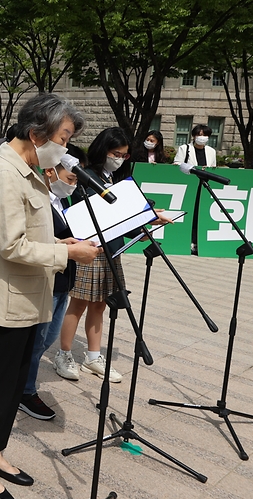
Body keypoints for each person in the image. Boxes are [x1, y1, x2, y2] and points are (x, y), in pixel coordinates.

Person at [0, 93, 100, 499]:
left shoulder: (30, 168)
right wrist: (68, 254)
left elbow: (32, 232)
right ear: (36, 133)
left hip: (28, 301)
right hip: (6, 303)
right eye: (63, 137)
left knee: (14, 388)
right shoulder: (3, 173)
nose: (66, 147)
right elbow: (11, 246)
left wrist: (60, 240)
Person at [54, 127, 171, 383]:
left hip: (111, 250)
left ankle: (93, 356)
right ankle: (63, 354)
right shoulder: (90, 176)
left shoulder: (115, 178)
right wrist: (148, 217)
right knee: (79, 303)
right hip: (89, 248)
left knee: (101, 303)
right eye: (115, 153)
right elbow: (107, 213)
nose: (119, 158)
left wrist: (148, 218)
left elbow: (123, 215)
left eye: (124, 155)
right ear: (102, 150)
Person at [18, 145, 88, 421]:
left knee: (45, 340)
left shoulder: (64, 202)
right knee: (36, 341)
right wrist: (65, 246)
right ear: (50, 171)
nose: (73, 185)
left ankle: (22, 385)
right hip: (46, 281)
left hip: (63, 281)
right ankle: (25, 391)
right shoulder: (38, 200)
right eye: (70, 178)